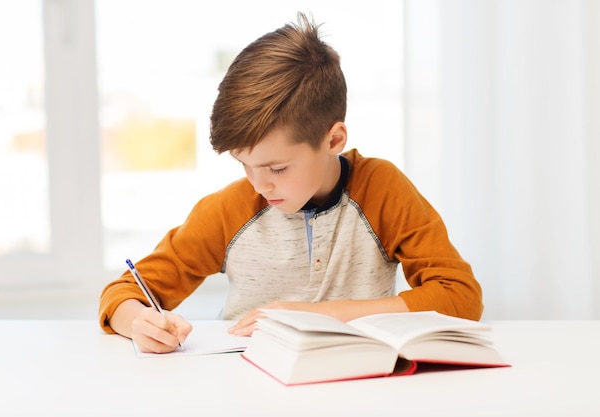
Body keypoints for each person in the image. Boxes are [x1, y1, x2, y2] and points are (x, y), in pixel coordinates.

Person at [98, 12, 483, 353]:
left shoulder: (382, 190)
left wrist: (321, 315)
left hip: (364, 384)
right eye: (244, 165)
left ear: (333, 140)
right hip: (245, 384)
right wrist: (139, 323)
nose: (259, 184)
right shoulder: (230, 210)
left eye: (277, 169)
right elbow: (121, 294)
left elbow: (460, 296)